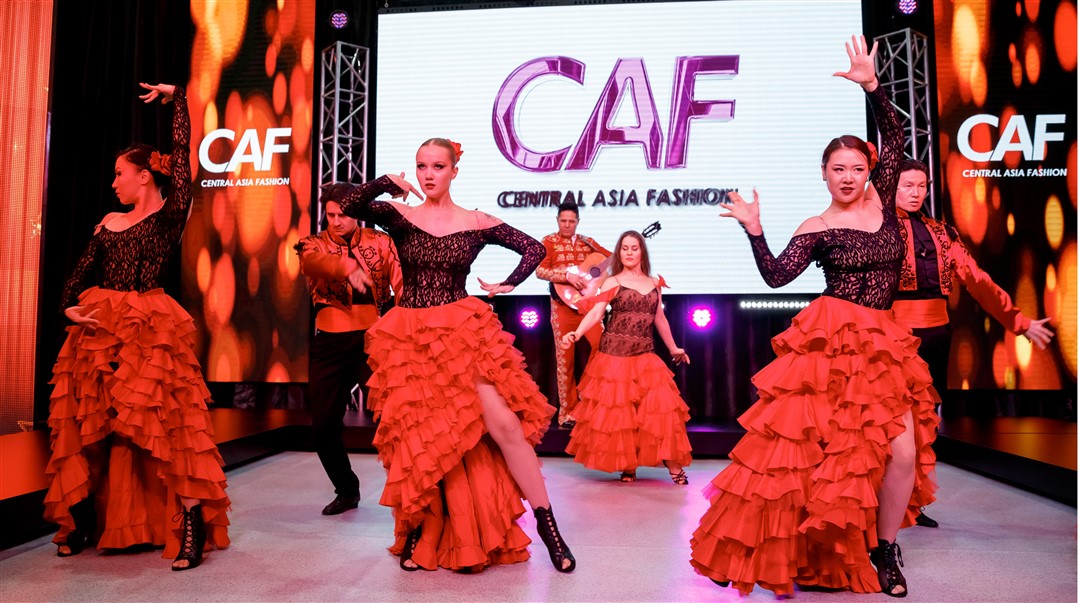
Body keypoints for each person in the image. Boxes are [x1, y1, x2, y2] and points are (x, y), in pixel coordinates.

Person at [689, 37, 938, 598]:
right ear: (823, 174)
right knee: (816, 457)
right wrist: (755, 230)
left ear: (869, 172)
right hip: (829, 343)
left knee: (901, 453)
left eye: (856, 168)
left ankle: (885, 549)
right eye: (837, 169)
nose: (848, 176)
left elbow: (896, 138)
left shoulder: (885, 205)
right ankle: (813, 549)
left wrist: (873, 88)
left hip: (882, 345)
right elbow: (777, 277)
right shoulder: (816, 227)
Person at [336, 138, 576, 574]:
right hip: (410, 337)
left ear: (454, 171)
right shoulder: (400, 215)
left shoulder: (477, 221)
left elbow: (534, 249)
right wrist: (386, 181)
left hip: (460, 332)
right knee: (417, 437)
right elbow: (350, 205)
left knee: (505, 425)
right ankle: (416, 527)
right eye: (422, 166)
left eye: (438, 166)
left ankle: (549, 528)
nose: (428, 175)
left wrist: (509, 283)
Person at [43, 83, 229, 571]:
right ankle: (83, 519)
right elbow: (77, 276)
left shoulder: (169, 215)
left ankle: (191, 524)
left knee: (172, 425)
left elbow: (182, 158)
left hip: (150, 330)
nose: (113, 183)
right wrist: (67, 310)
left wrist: (179, 99)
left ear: (145, 177)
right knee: (89, 426)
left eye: (119, 174)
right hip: (99, 331)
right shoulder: (109, 221)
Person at [888, 158, 1055, 529]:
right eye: (907, 186)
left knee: (924, 419)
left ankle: (911, 503)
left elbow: (978, 280)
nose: (915, 193)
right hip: (892, 335)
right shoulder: (879, 229)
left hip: (936, 335)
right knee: (890, 421)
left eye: (921, 186)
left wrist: (1019, 322)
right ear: (891, 187)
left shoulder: (943, 232)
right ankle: (878, 504)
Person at [294, 183, 403, 516]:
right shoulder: (312, 244)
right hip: (329, 344)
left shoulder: (380, 242)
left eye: (343, 215)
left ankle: (410, 495)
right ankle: (346, 489)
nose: (336, 221)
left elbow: (402, 286)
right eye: (330, 215)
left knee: (395, 419)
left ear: (357, 213)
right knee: (323, 426)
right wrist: (346, 267)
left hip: (373, 342)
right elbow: (313, 264)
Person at [560, 231, 693, 484]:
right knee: (621, 415)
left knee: (659, 411)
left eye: (634, 248)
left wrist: (674, 348)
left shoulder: (654, 283)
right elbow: (596, 313)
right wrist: (576, 334)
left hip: (644, 355)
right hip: (614, 356)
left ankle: (674, 467)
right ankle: (628, 466)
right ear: (619, 253)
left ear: (642, 251)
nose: (629, 252)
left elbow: (659, 318)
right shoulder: (612, 281)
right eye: (624, 248)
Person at [535, 202, 612, 427]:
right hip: (561, 306)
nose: (567, 225)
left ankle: (587, 399)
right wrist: (567, 276)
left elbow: (611, 259)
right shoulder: (549, 241)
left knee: (602, 348)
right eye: (563, 221)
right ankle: (567, 413)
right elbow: (540, 270)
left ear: (578, 221)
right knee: (565, 360)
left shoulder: (588, 242)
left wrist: (629, 248)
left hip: (588, 306)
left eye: (571, 221)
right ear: (557, 220)